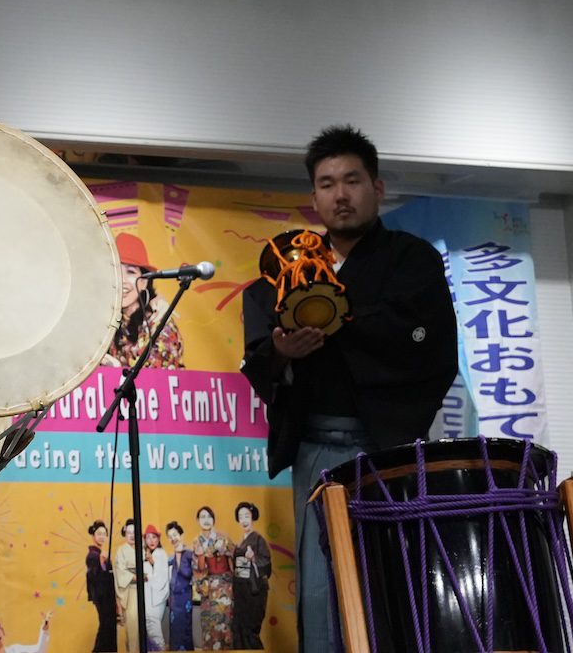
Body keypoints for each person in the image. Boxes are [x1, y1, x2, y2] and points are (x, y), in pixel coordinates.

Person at [240, 125, 458, 652]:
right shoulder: (287, 267)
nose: (341, 194)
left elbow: (432, 350)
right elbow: (258, 352)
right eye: (327, 183)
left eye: (353, 181)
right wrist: (282, 356)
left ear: (377, 188)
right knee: (320, 585)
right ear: (312, 196)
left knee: (393, 575)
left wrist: (342, 319)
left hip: (389, 448)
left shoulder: (412, 260)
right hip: (316, 447)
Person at [108, 231, 183, 368]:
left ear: (143, 282)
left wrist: (116, 370)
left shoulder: (158, 323)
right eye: (117, 270)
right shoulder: (107, 322)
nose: (122, 280)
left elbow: (157, 383)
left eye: (131, 272)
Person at [231, 501, 273, 649]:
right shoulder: (241, 541)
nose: (244, 520)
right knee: (238, 629)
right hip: (241, 591)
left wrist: (253, 558)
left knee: (250, 631)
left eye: (246, 516)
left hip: (254, 592)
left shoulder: (258, 539)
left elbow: (266, 565)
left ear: (252, 518)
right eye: (241, 516)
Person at [191, 506, 234, 650]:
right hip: (207, 587)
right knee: (208, 624)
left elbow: (234, 558)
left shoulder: (223, 537)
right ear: (197, 520)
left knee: (224, 622)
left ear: (213, 519)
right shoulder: (197, 541)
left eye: (209, 516)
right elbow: (197, 568)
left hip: (224, 587)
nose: (206, 520)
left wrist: (227, 553)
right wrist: (200, 556)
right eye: (202, 517)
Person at [85, 519, 117, 652]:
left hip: (107, 596)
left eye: (104, 533)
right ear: (93, 536)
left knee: (108, 627)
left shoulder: (101, 553)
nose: (102, 536)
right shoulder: (93, 555)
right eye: (99, 533)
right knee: (106, 626)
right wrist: (103, 564)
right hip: (102, 596)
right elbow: (94, 577)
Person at [113, 519, 143, 653]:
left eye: (134, 532)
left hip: (145, 590)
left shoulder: (143, 549)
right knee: (132, 627)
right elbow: (120, 571)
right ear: (125, 533)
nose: (132, 535)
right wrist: (136, 577)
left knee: (144, 627)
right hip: (131, 593)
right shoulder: (121, 551)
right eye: (129, 532)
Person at [165, 520, 195, 651]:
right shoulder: (170, 558)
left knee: (184, 628)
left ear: (181, 534)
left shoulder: (189, 554)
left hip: (184, 598)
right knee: (174, 629)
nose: (173, 539)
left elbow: (188, 573)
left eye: (175, 535)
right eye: (170, 537)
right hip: (173, 599)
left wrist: (178, 555)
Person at [142, 524, 171, 651]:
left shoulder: (160, 554)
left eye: (154, 537)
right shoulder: (144, 554)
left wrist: (152, 563)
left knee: (154, 629)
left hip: (156, 599)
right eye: (148, 538)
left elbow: (161, 576)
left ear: (158, 539)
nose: (151, 541)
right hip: (148, 597)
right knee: (150, 630)